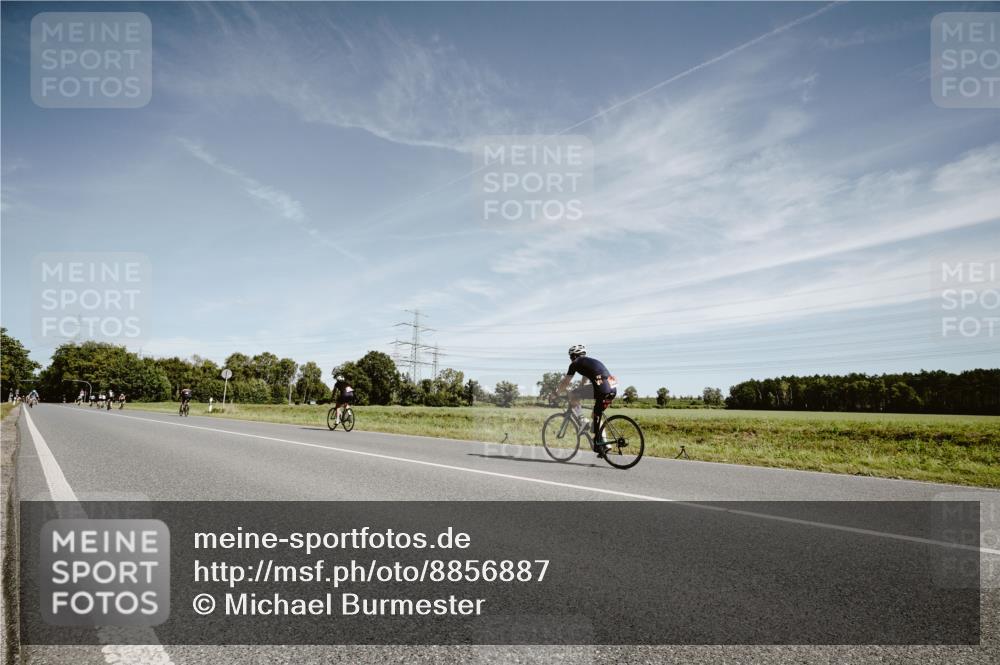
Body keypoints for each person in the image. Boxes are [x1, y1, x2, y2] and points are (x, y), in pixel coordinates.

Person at [556, 345, 618, 457]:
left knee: (573, 394)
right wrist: (580, 390)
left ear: (573, 356)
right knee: (596, 415)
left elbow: (565, 382)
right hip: (613, 388)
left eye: (571, 356)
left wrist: (556, 393)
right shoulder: (589, 362)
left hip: (602, 388)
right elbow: (584, 381)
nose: (571, 359)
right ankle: (604, 445)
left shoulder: (575, 363)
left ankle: (582, 420)